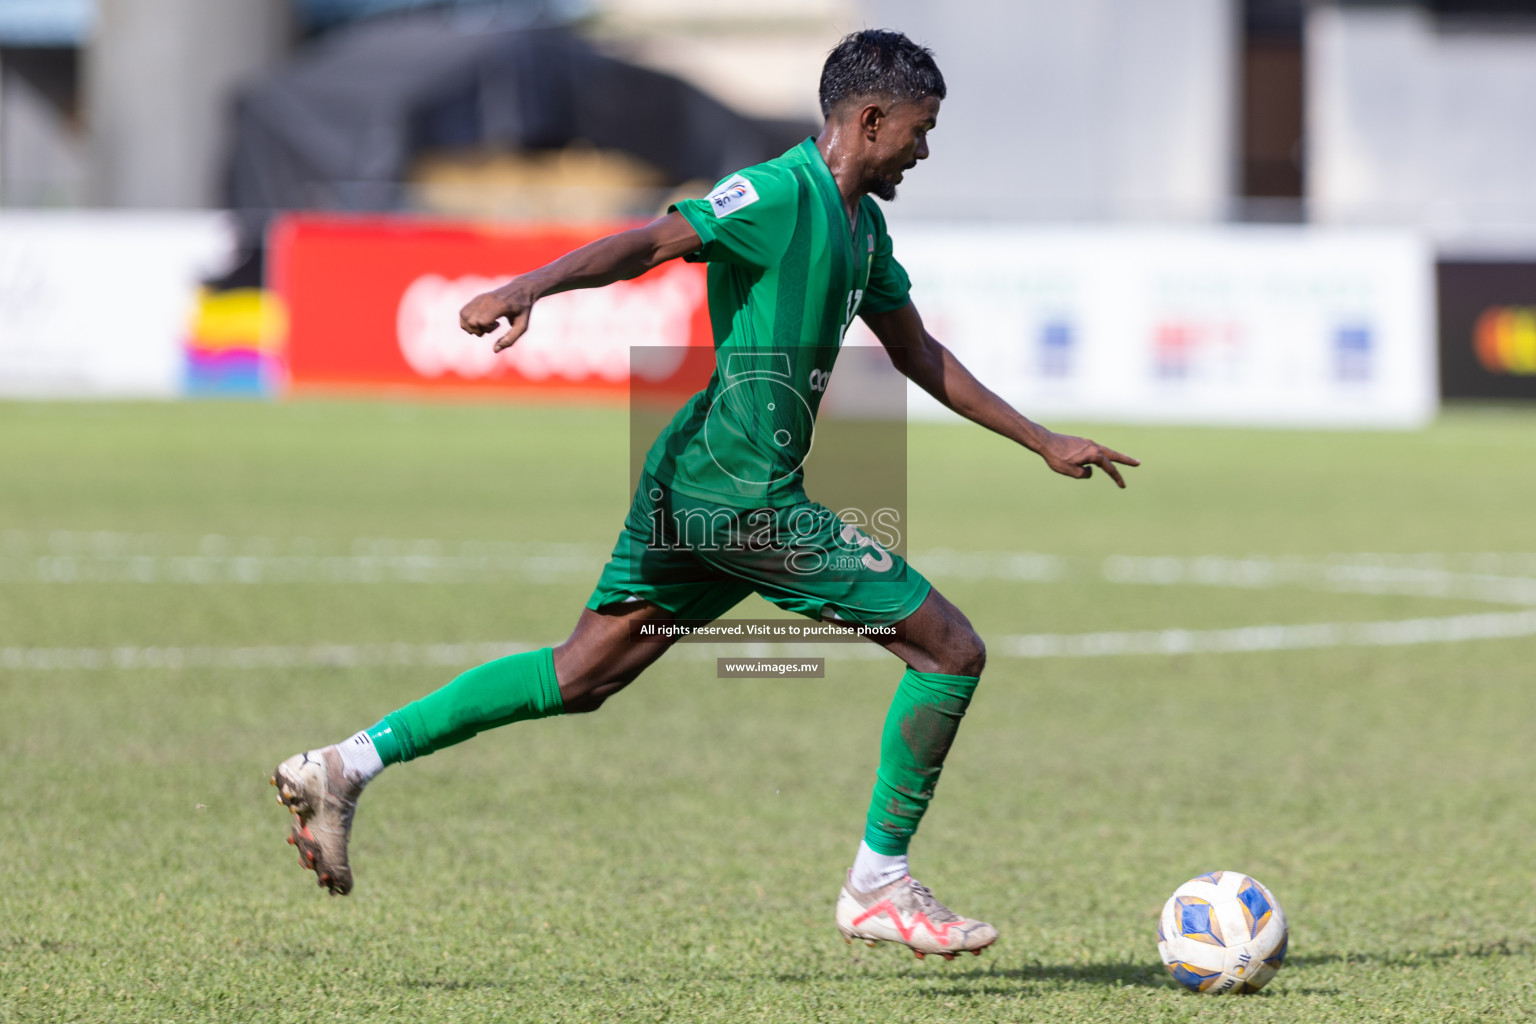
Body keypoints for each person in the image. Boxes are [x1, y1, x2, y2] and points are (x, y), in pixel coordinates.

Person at [271, 28, 1137, 961]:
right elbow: (650, 241)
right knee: (950, 650)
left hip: (696, 483)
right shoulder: (773, 192)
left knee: (581, 674)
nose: (924, 150)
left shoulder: (866, 228)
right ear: (872, 118)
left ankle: (345, 765)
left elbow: (918, 354)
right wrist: (532, 285)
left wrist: (1042, 439)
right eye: (920, 130)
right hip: (740, 497)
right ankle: (879, 884)